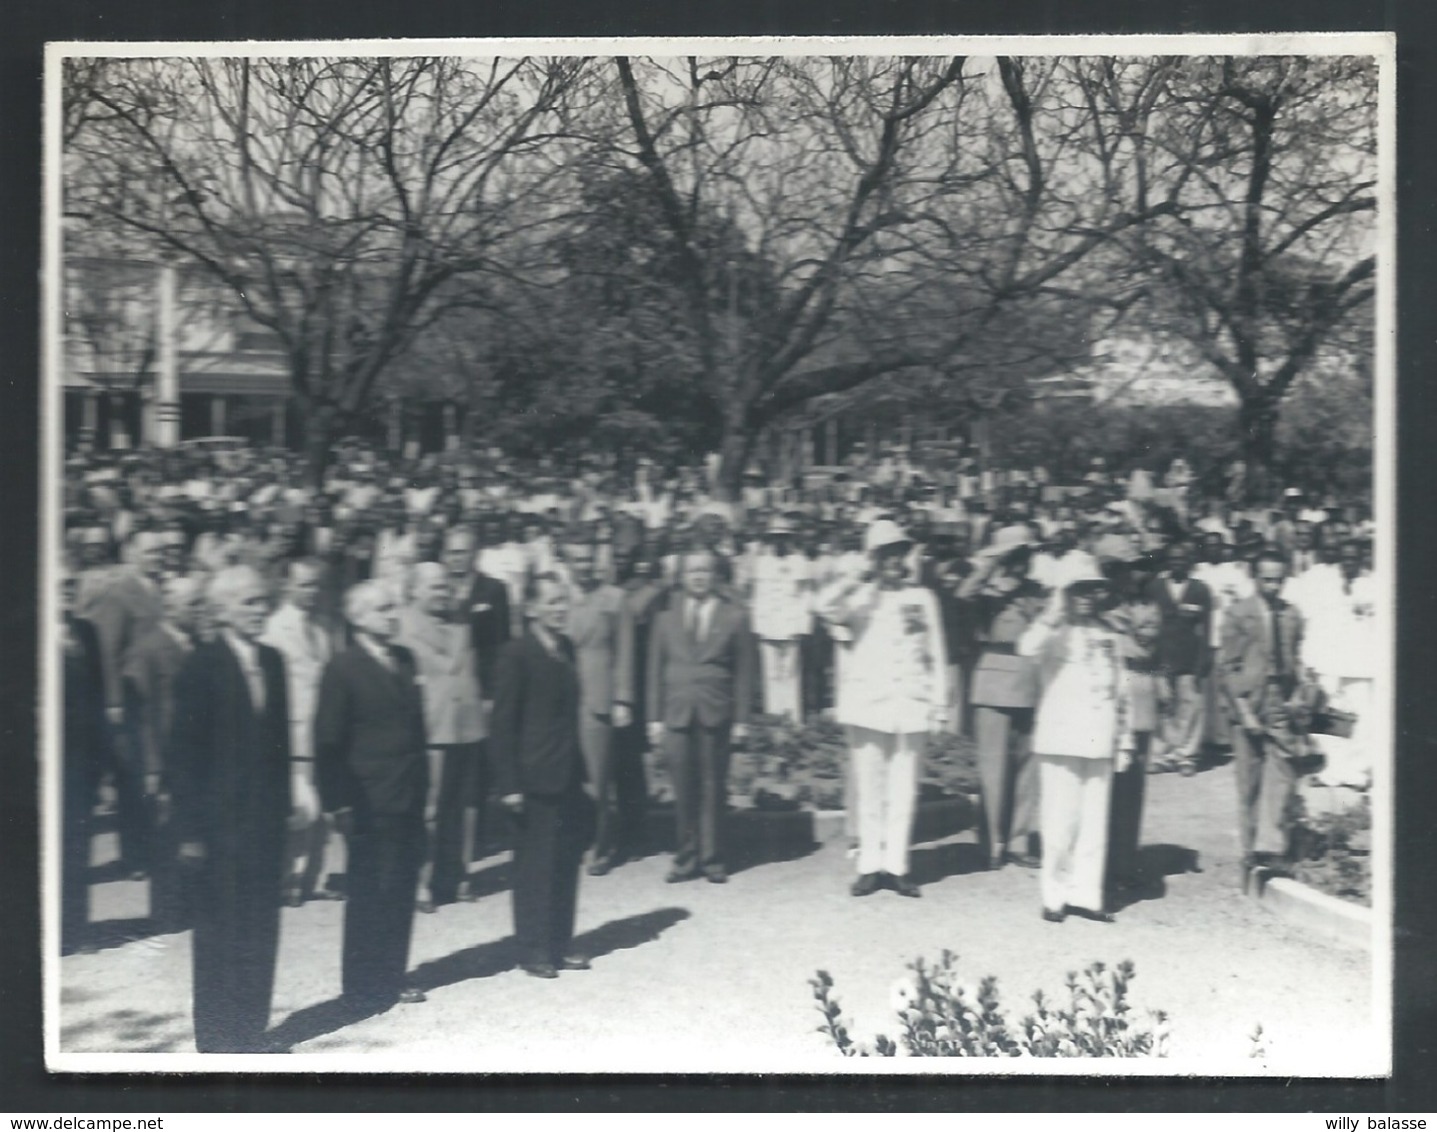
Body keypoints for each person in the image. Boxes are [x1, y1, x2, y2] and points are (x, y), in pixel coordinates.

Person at [168, 566, 292, 1053]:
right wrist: (192, 833)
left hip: (263, 826)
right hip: (219, 831)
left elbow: (280, 749)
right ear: (221, 612)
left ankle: (252, 1032)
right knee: (220, 934)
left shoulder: (274, 662)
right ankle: (217, 1042)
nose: (259, 610)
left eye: (263, 601)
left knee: (261, 928)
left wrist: (284, 818)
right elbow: (183, 755)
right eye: (248, 604)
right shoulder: (201, 666)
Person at [814, 520, 948, 897]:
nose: (893, 561)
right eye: (884, 554)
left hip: (910, 703)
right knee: (870, 786)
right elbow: (821, 606)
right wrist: (855, 578)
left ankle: (898, 864)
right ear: (873, 559)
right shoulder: (860, 597)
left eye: (898, 554)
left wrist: (938, 705)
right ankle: (870, 864)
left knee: (904, 788)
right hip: (868, 705)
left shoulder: (921, 598)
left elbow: (936, 654)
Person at [314, 580, 430, 1010]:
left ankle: (392, 976)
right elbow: (327, 741)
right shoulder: (342, 668)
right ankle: (362, 987)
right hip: (366, 797)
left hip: (407, 791)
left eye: (394, 606)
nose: (393, 615)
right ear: (358, 617)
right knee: (369, 892)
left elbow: (418, 731)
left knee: (400, 888)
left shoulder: (404, 659)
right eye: (383, 609)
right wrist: (337, 803)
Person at [490, 572, 596, 979]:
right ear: (530, 608)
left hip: (566, 773)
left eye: (562, 600)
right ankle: (532, 949)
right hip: (531, 779)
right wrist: (509, 784)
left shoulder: (565, 648)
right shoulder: (516, 654)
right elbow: (502, 724)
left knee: (565, 862)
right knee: (535, 866)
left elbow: (568, 718)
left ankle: (559, 943)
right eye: (550, 602)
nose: (559, 608)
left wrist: (582, 772)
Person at [1019, 569, 1131, 924]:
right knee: (1058, 821)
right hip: (1061, 737)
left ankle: (1087, 895)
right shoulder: (1052, 632)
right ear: (1065, 594)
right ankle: (1055, 896)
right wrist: (1052, 613)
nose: (1086, 597)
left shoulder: (1108, 634)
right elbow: (1025, 648)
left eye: (1091, 591)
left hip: (1099, 736)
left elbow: (1121, 689)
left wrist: (1124, 740)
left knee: (1094, 822)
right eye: (1078, 590)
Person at [647, 551, 758, 884]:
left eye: (705, 570)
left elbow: (744, 674)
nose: (698, 576)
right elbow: (654, 671)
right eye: (692, 570)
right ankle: (685, 859)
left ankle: (712, 860)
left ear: (715, 576)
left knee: (712, 786)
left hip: (715, 710)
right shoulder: (665, 618)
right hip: (676, 712)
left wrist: (741, 720)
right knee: (683, 789)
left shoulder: (734, 616)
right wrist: (653, 718)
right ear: (682, 576)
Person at [397, 562, 486, 910]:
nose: (443, 592)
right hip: (431, 727)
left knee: (465, 807)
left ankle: (458, 874)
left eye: (445, 586)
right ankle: (423, 880)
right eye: (434, 587)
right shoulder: (402, 624)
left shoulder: (462, 623)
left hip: (467, 725)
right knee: (430, 808)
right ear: (414, 589)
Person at [958, 525, 1047, 870]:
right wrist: (992, 563)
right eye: (1019, 554)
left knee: (1028, 768)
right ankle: (991, 843)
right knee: (993, 767)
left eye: (1028, 554)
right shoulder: (988, 591)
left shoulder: (1036, 591)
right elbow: (964, 594)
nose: (1025, 561)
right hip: (994, 679)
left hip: (1030, 679)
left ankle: (1018, 840)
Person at [121, 573, 204, 932]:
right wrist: (152, 767)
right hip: (165, 757)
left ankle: (192, 906)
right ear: (171, 608)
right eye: (193, 604)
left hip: (195, 755)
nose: (200, 611)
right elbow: (140, 715)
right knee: (167, 834)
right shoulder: (149, 648)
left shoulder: (198, 644)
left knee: (191, 830)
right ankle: (168, 914)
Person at [1217, 551, 1305, 886]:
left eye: (1279, 579)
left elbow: (1295, 658)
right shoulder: (1238, 614)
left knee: (1283, 771)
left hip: (1280, 699)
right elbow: (1227, 667)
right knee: (1249, 779)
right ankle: (1250, 851)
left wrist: (1298, 693)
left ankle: (1271, 848)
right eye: (1267, 578)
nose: (1273, 585)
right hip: (1249, 701)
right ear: (1255, 578)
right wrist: (1243, 711)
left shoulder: (1292, 614)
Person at [261, 558, 343, 906]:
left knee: (322, 809)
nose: (312, 592)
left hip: (321, 730)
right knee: (298, 810)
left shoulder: (322, 630)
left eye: (316, 585)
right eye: (304, 584)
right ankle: (287, 880)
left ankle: (314, 878)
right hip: (292, 733)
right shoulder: (274, 629)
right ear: (286, 586)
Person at [561, 537, 635, 876]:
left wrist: (622, 698)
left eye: (588, 558)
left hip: (598, 697)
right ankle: (572, 840)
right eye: (576, 559)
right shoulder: (557, 598)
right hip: (560, 699)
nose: (583, 565)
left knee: (598, 778)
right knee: (565, 776)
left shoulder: (614, 599)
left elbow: (625, 652)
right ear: (567, 561)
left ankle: (601, 844)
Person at [61, 564, 108, 955]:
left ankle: (76, 931)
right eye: (58, 583)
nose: (66, 590)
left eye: (71, 583)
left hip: (79, 762)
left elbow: (98, 699)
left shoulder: (87, 632)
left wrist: (102, 761)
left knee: (77, 845)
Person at [1146, 542, 1213, 776]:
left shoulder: (1200, 589)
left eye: (1182, 559)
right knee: (1161, 707)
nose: (1177, 563)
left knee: (1191, 706)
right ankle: (1161, 754)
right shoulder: (1154, 587)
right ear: (1167, 562)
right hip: (1160, 658)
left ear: (1190, 562)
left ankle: (1186, 755)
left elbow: (1206, 629)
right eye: (1173, 559)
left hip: (1189, 658)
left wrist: (1202, 662)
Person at [750, 516, 811, 721]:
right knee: (771, 674)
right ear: (769, 539)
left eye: (783, 537)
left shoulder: (799, 562)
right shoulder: (762, 563)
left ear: (790, 539)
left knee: (791, 674)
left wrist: (802, 626)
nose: (779, 542)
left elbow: (804, 596)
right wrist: (757, 625)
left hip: (790, 624)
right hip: (768, 625)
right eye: (775, 537)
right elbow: (757, 595)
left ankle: (793, 719)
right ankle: (774, 718)